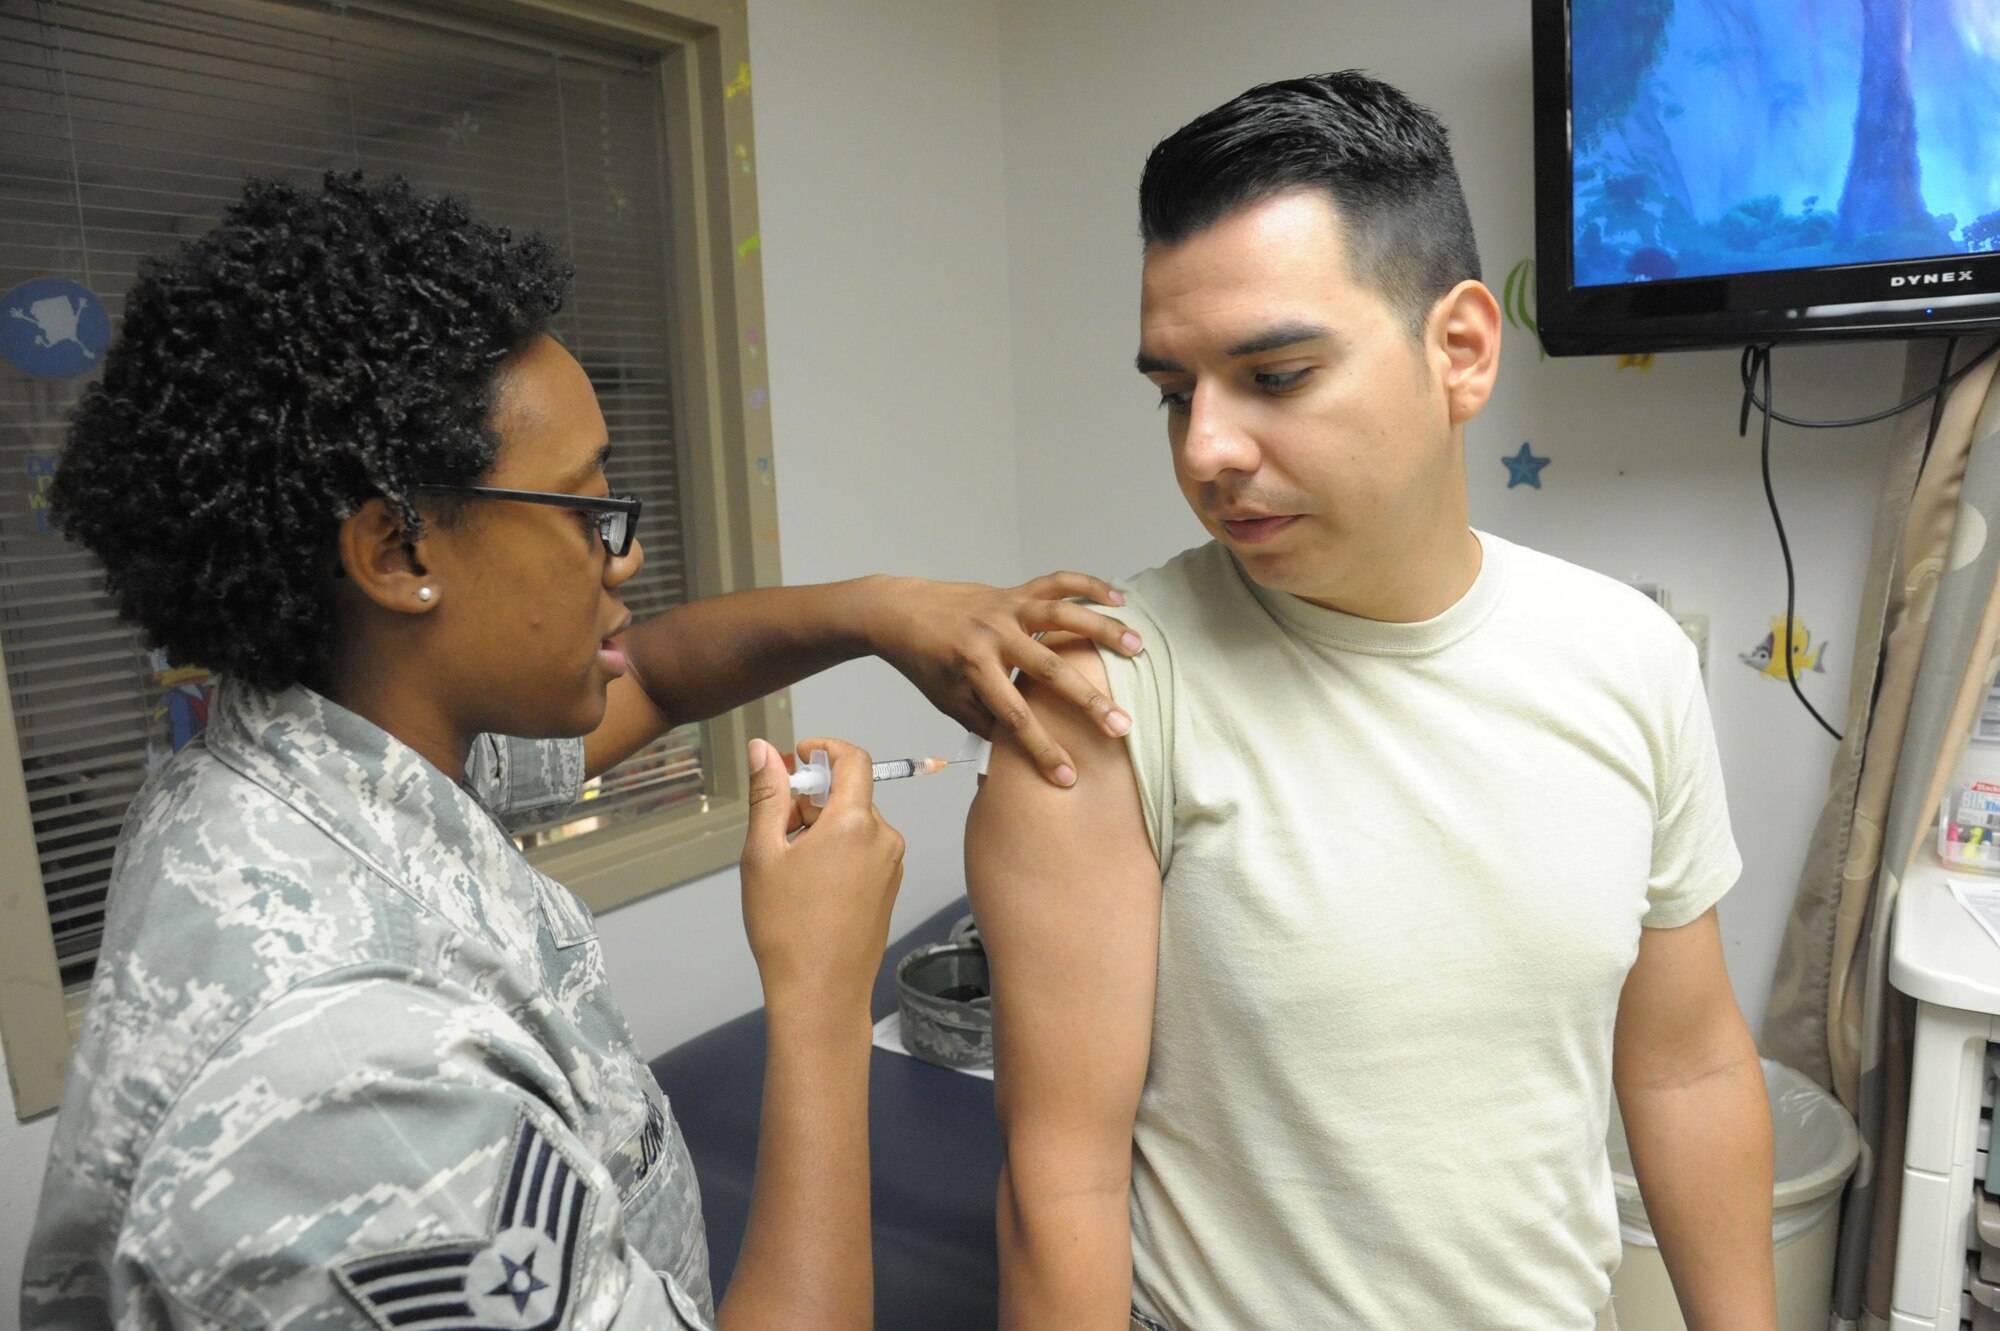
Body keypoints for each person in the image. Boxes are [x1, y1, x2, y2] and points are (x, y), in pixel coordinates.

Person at [21, 172, 1142, 1331]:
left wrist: (875, 609)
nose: (625, 559)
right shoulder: (350, 1098)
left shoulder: (304, 752)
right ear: (398, 549)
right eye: (584, 512)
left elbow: (650, 672)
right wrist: (819, 1000)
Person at [967, 72, 1776, 1331]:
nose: (1203, 451)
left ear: (1457, 348)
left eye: (1274, 376)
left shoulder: (1629, 658)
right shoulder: (1104, 689)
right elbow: (1057, 1177)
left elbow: (1684, 1062)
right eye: (1173, 392)